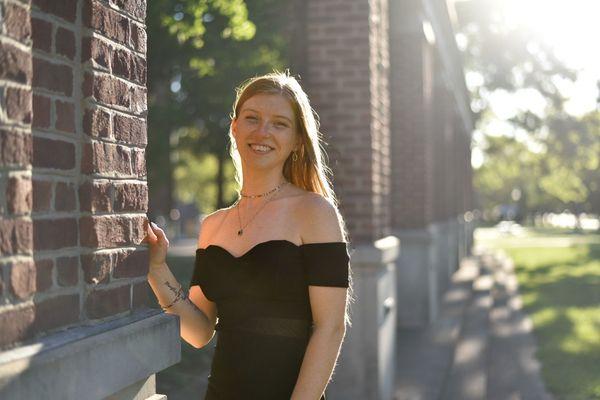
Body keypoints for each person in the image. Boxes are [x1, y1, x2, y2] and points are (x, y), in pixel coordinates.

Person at [144, 71, 354, 400]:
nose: (263, 131)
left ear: (298, 139)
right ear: (235, 127)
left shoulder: (315, 213)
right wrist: (157, 270)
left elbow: (331, 328)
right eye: (252, 118)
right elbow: (199, 332)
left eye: (279, 123)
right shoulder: (213, 226)